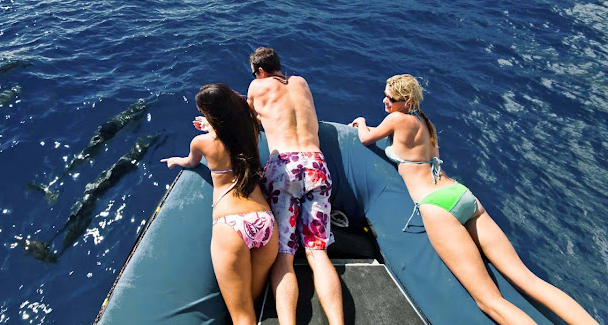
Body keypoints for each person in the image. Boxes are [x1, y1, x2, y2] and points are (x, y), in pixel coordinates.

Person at [351, 74, 598, 325]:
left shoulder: (395, 118)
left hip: (437, 207)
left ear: (405, 101)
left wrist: (361, 122)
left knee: (490, 302)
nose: (385, 101)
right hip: (461, 195)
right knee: (528, 279)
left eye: (390, 98)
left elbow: (366, 138)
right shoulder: (424, 121)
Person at [162, 83, 278, 325]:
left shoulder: (202, 143)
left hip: (231, 225)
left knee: (242, 316)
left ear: (210, 115)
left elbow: (191, 162)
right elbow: (237, 116)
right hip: (264, 223)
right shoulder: (251, 128)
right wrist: (212, 123)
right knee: (255, 303)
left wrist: (177, 160)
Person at [247, 47, 344, 325]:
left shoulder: (257, 85)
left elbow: (247, 117)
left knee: (284, 255)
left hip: (285, 168)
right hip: (316, 164)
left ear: (260, 71)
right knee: (317, 252)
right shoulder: (301, 82)